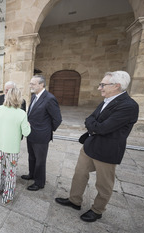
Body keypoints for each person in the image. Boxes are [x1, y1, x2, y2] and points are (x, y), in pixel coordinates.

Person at [55, 71, 139, 222]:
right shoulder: (107, 99)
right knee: (79, 174)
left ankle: (97, 210)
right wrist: (93, 125)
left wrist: (93, 125)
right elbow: (90, 118)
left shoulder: (129, 106)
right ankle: (74, 200)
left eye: (103, 85)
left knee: (104, 184)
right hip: (90, 145)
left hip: (107, 151)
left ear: (116, 86)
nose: (99, 88)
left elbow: (103, 128)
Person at [21, 74, 62, 191]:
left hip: (41, 136)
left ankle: (39, 182)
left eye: (33, 84)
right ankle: (32, 174)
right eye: (30, 83)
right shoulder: (34, 96)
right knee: (31, 156)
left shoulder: (49, 98)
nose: (30, 86)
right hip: (31, 134)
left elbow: (57, 119)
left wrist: (47, 130)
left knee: (40, 160)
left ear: (41, 84)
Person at [0, 87, 31, 204]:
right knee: (10, 172)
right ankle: (8, 195)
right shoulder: (21, 113)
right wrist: (28, 124)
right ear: (19, 99)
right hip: (12, 148)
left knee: (0, 169)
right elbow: (26, 132)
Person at [0, 81, 26, 175]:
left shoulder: (21, 101)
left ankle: (8, 169)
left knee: (10, 153)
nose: (7, 92)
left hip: (12, 133)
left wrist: (20, 134)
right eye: (5, 90)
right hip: (0, 131)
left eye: (9, 90)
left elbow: (22, 118)